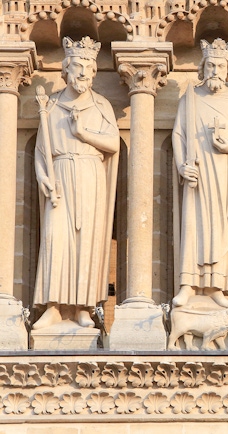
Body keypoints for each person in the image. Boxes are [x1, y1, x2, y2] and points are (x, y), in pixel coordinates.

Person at [33, 36, 120, 330]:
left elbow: (113, 144)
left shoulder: (101, 105)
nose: (83, 72)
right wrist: (44, 178)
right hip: (60, 176)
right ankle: (54, 305)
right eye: (78, 65)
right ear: (66, 70)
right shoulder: (51, 106)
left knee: (88, 241)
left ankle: (83, 305)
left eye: (89, 67)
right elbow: (41, 153)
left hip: (89, 174)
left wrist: (83, 134)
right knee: (56, 239)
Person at [171, 39, 228, 309]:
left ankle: (217, 285)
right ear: (202, 68)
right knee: (194, 225)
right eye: (211, 65)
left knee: (222, 227)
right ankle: (188, 284)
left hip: (226, 172)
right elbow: (179, 134)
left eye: (220, 65)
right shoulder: (190, 98)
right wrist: (183, 165)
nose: (215, 70)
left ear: (227, 70)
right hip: (199, 172)